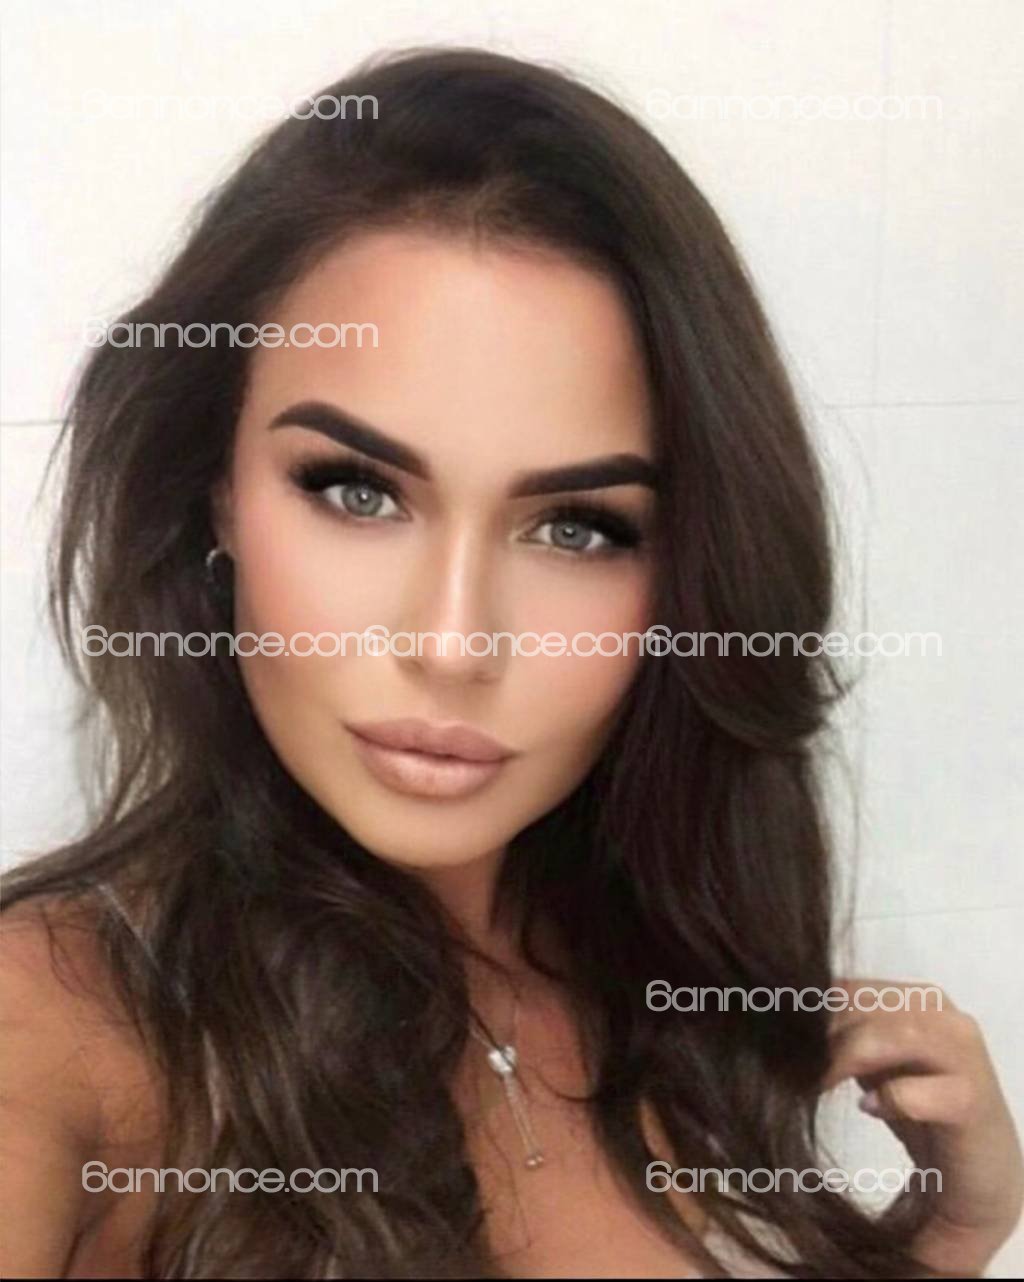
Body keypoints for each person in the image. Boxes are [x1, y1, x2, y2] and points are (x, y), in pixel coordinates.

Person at [1, 46, 1020, 1279]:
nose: (452, 643)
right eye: (356, 490)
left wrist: (942, 1244)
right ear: (214, 490)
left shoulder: (658, 978)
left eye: (576, 528)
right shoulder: (52, 1036)